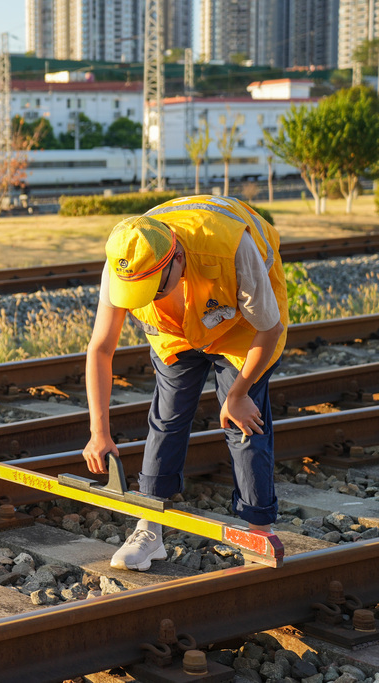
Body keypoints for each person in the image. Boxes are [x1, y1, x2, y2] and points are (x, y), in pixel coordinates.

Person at [83, 195, 288, 571]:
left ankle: (259, 528)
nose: (149, 299)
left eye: (154, 291)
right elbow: (100, 349)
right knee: (167, 418)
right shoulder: (124, 262)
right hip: (176, 332)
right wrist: (99, 432)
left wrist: (238, 394)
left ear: (177, 259)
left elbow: (270, 328)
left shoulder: (231, 249)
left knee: (243, 422)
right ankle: (149, 527)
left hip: (242, 329)